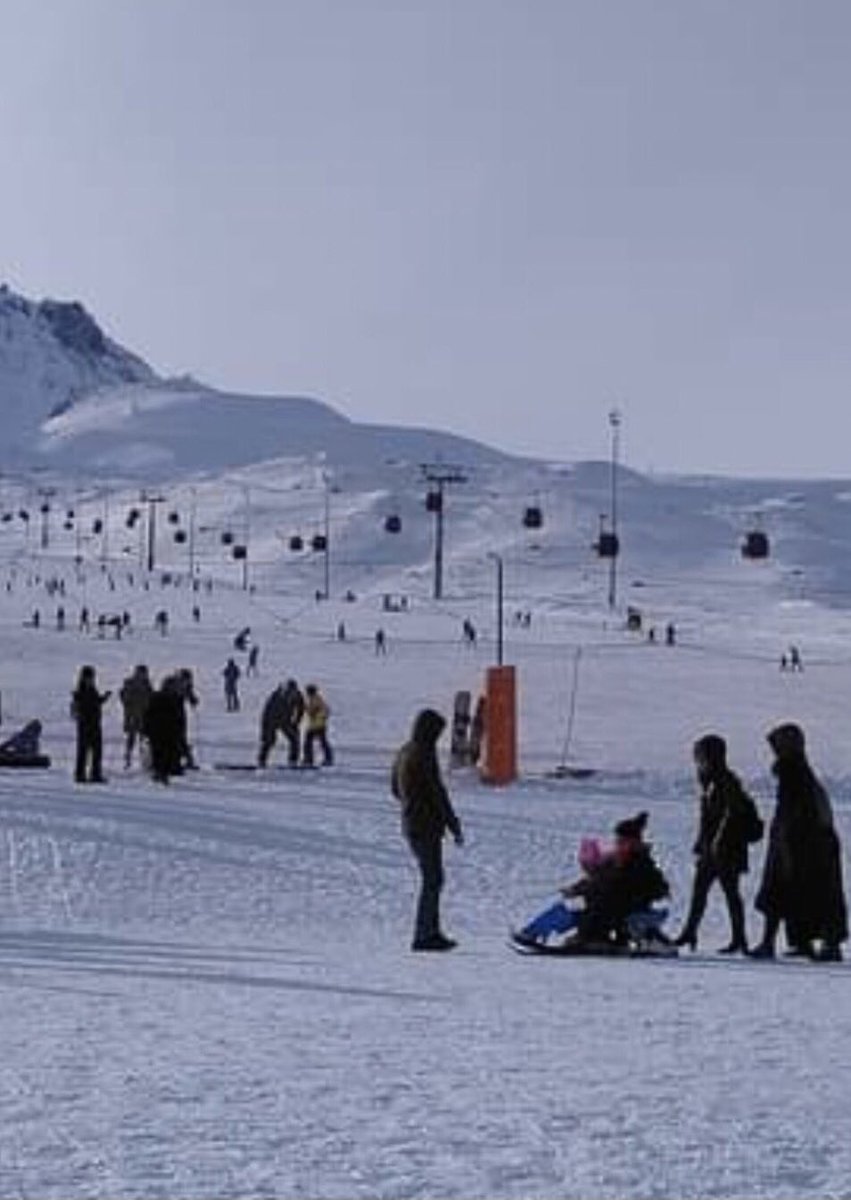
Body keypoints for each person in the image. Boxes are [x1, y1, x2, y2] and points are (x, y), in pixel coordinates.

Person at [751, 724, 848, 961]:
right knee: (793, 893)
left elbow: (794, 811)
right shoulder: (799, 771)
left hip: (802, 845)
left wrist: (785, 842)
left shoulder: (792, 771)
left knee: (789, 893)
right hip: (803, 843)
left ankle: (820, 943)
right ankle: (802, 942)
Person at [674, 735, 761, 954]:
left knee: (730, 892)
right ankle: (690, 931)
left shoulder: (725, 780)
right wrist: (702, 843)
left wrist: (717, 841)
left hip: (726, 849)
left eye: (700, 755)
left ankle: (739, 938)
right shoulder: (709, 780)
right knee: (700, 891)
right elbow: (708, 818)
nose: (697, 760)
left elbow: (731, 814)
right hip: (712, 848)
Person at [391, 709, 464, 951]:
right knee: (433, 879)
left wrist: (409, 801)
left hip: (411, 823)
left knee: (432, 878)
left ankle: (430, 931)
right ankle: (425, 934)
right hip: (426, 825)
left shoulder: (405, 750)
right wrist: (453, 823)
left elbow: (394, 788)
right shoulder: (423, 753)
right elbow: (437, 791)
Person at [559, 812, 670, 951]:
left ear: (635, 842)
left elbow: (656, 885)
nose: (620, 845)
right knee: (590, 907)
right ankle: (592, 937)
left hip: (628, 908)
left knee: (600, 909)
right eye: (618, 842)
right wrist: (576, 889)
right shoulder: (614, 861)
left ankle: (596, 940)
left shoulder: (641, 863)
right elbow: (597, 879)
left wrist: (649, 892)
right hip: (614, 906)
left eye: (624, 842)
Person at [71, 665, 110, 783]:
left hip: (95, 724)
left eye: (92, 677)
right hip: (85, 725)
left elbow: (96, 702)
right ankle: (80, 775)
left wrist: (104, 698)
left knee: (97, 751)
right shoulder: (80, 692)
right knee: (83, 751)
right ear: (83, 678)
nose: (91, 680)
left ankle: (95, 774)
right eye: (88, 678)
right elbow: (77, 709)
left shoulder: (92, 690)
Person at [258, 680, 304, 767]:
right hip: (271, 720)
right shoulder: (276, 697)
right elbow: (266, 713)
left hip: (285, 721)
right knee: (269, 741)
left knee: (294, 739)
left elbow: (301, 709)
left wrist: (296, 722)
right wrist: (265, 730)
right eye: (290, 692)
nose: (292, 694)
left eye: (293, 692)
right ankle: (262, 760)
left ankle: (293, 761)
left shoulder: (298, 696)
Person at [119, 664, 153, 769]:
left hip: (145, 715)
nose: (144, 676)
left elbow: (151, 698)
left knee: (145, 740)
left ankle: (146, 761)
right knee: (131, 738)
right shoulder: (129, 683)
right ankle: (128, 759)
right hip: (132, 715)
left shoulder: (147, 685)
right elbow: (124, 698)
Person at [302, 684, 333, 767]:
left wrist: (317, 717)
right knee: (320, 742)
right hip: (315, 725)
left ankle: (309, 759)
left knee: (311, 743)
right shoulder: (313, 699)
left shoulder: (316, 699)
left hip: (318, 725)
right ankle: (326, 759)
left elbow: (324, 711)